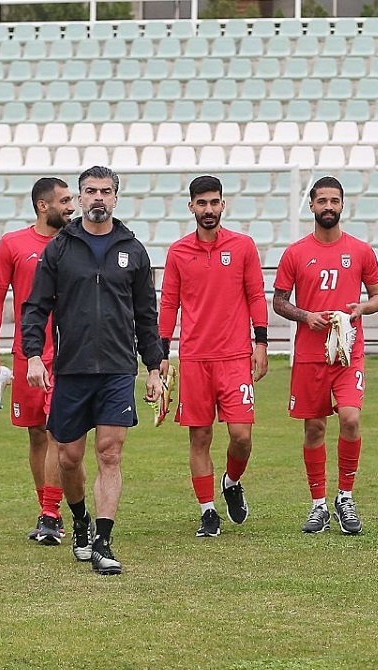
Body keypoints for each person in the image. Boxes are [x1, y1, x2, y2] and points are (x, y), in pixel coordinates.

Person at [22, 166, 164, 576]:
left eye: (105, 191)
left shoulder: (133, 250)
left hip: (118, 369)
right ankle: (80, 520)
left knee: (110, 453)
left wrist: (153, 367)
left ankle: (103, 541)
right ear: (80, 198)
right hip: (72, 369)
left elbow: (146, 315)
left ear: (116, 198)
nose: (98, 197)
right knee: (68, 458)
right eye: (90, 191)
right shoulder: (60, 249)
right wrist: (33, 356)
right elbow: (36, 307)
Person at [158, 175, 270, 538]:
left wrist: (261, 343)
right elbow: (169, 303)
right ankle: (207, 511)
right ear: (191, 206)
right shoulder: (178, 251)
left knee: (241, 435)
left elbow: (256, 295)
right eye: (202, 203)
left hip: (235, 357)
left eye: (214, 202)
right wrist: (162, 353)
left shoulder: (243, 246)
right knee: (200, 436)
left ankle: (231, 481)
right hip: (195, 358)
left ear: (223, 204)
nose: (209, 209)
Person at [272, 175, 378, 535]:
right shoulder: (295, 253)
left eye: (334, 201)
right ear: (311, 205)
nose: (329, 207)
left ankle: (345, 497)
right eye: (322, 201)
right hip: (310, 354)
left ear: (343, 204)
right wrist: (307, 316)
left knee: (350, 418)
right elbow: (278, 302)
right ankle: (318, 504)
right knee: (315, 427)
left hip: (347, 354)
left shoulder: (361, 251)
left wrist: (362, 308)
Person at [0, 177, 75, 545]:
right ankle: (48, 512)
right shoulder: (13, 244)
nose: (71, 207)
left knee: (58, 435)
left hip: (68, 355)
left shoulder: (77, 242)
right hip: (28, 354)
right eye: (64, 201)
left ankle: (50, 513)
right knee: (37, 435)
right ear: (42, 205)